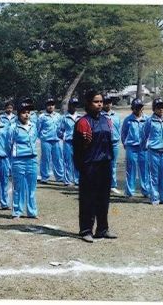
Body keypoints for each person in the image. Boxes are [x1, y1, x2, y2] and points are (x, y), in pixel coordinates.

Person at [73, 90, 117, 243]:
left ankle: (102, 229)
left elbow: (110, 144)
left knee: (103, 199)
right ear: (88, 103)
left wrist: (110, 160)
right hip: (89, 166)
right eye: (96, 101)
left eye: (101, 101)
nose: (99, 104)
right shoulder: (82, 122)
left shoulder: (107, 121)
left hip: (105, 164)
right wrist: (81, 168)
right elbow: (77, 149)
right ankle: (86, 230)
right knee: (88, 200)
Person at [10, 101, 39, 219]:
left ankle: (32, 212)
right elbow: (9, 144)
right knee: (18, 188)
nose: (26, 115)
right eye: (23, 112)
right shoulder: (13, 127)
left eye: (28, 112)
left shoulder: (33, 126)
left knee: (32, 187)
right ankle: (17, 211)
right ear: (18, 114)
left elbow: (34, 139)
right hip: (19, 160)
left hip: (32, 159)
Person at [144, 98, 163, 205]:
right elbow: (144, 135)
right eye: (158, 107)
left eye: (162, 107)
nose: (161, 109)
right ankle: (155, 198)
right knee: (154, 175)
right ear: (153, 109)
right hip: (154, 151)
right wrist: (145, 147)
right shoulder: (149, 121)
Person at [121, 98, 150, 198]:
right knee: (130, 170)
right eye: (136, 107)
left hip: (143, 148)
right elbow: (123, 133)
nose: (139, 109)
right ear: (132, 108)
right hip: (131, 148)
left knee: (145, 170)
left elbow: (150, 133)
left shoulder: (147, 119)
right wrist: (126, 144)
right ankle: (129, 192)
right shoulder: (128, 120)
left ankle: (146, 191)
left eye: (140, 107)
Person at [37, 98, 64, 183]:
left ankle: (60, 177)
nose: (50, 106)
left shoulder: (58, 116)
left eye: (52, 104)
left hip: (56, 140)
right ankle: (44, 177)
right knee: (45, 159)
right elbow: (38, 129)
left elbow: (61, 128)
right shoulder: (42, 117)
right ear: (46, 106)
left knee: (58, 159)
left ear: (54, 106)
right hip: (46, 140)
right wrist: (41, 137)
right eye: (49, 105)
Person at [58, 97, 83, 186]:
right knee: (67, 161)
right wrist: (65, 137)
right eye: (73, 105)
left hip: (78, 143)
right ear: (69, 106)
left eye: (76, 105)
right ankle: (67, 180)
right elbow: (59, 131)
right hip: (68, 142)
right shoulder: (64, 117)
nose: (74, 107)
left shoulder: (80, 117)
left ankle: (77, 180)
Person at [101, 95, 121, 194]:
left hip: (114, 144)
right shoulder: (98, 116)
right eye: (106, 102)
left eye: (109, 102)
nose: (108, 104)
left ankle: (112, 185)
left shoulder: (116, 115)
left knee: (113, 165)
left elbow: (120, 129)